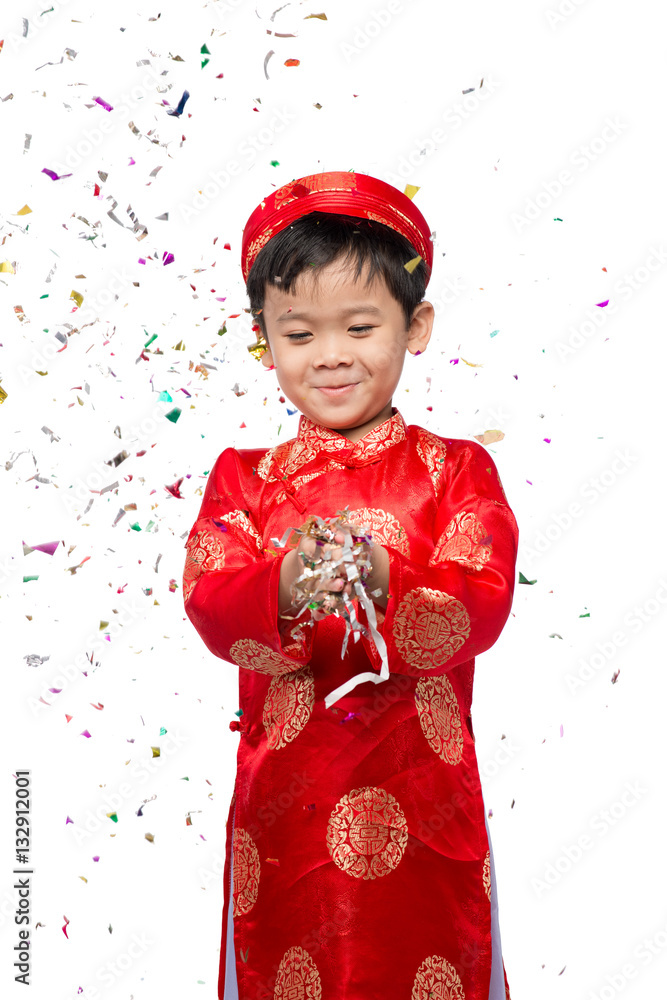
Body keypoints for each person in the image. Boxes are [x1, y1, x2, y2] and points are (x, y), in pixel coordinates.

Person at [183, 170, 519, 1000]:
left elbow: (480, 601)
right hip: (284, 817)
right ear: (264, 340)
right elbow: (211, 602)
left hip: (426, 801)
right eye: (299, 333)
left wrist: (378, 574)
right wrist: (288, 582)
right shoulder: (244, 480)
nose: (330, 355)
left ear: (416, 327)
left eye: (360, 326)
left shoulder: (457, 472)